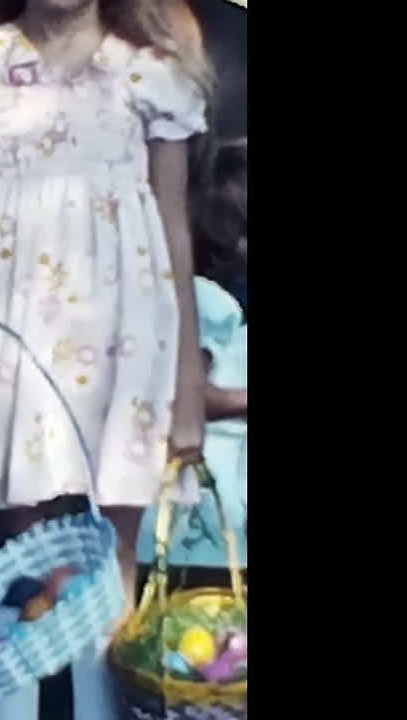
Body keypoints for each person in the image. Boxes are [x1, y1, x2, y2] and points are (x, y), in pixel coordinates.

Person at [0, 1, 212, 718]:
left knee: (110, 562)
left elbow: (174, 230)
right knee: (14, 564)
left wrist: (188, 387)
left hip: (125, 338)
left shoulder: (151, 72)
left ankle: (100, 707)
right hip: (7, 332)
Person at [136, 136, 247, 592]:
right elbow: (186, 393)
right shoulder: (209, 304)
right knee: (203, 604)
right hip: (201, 495)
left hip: (214, 493)